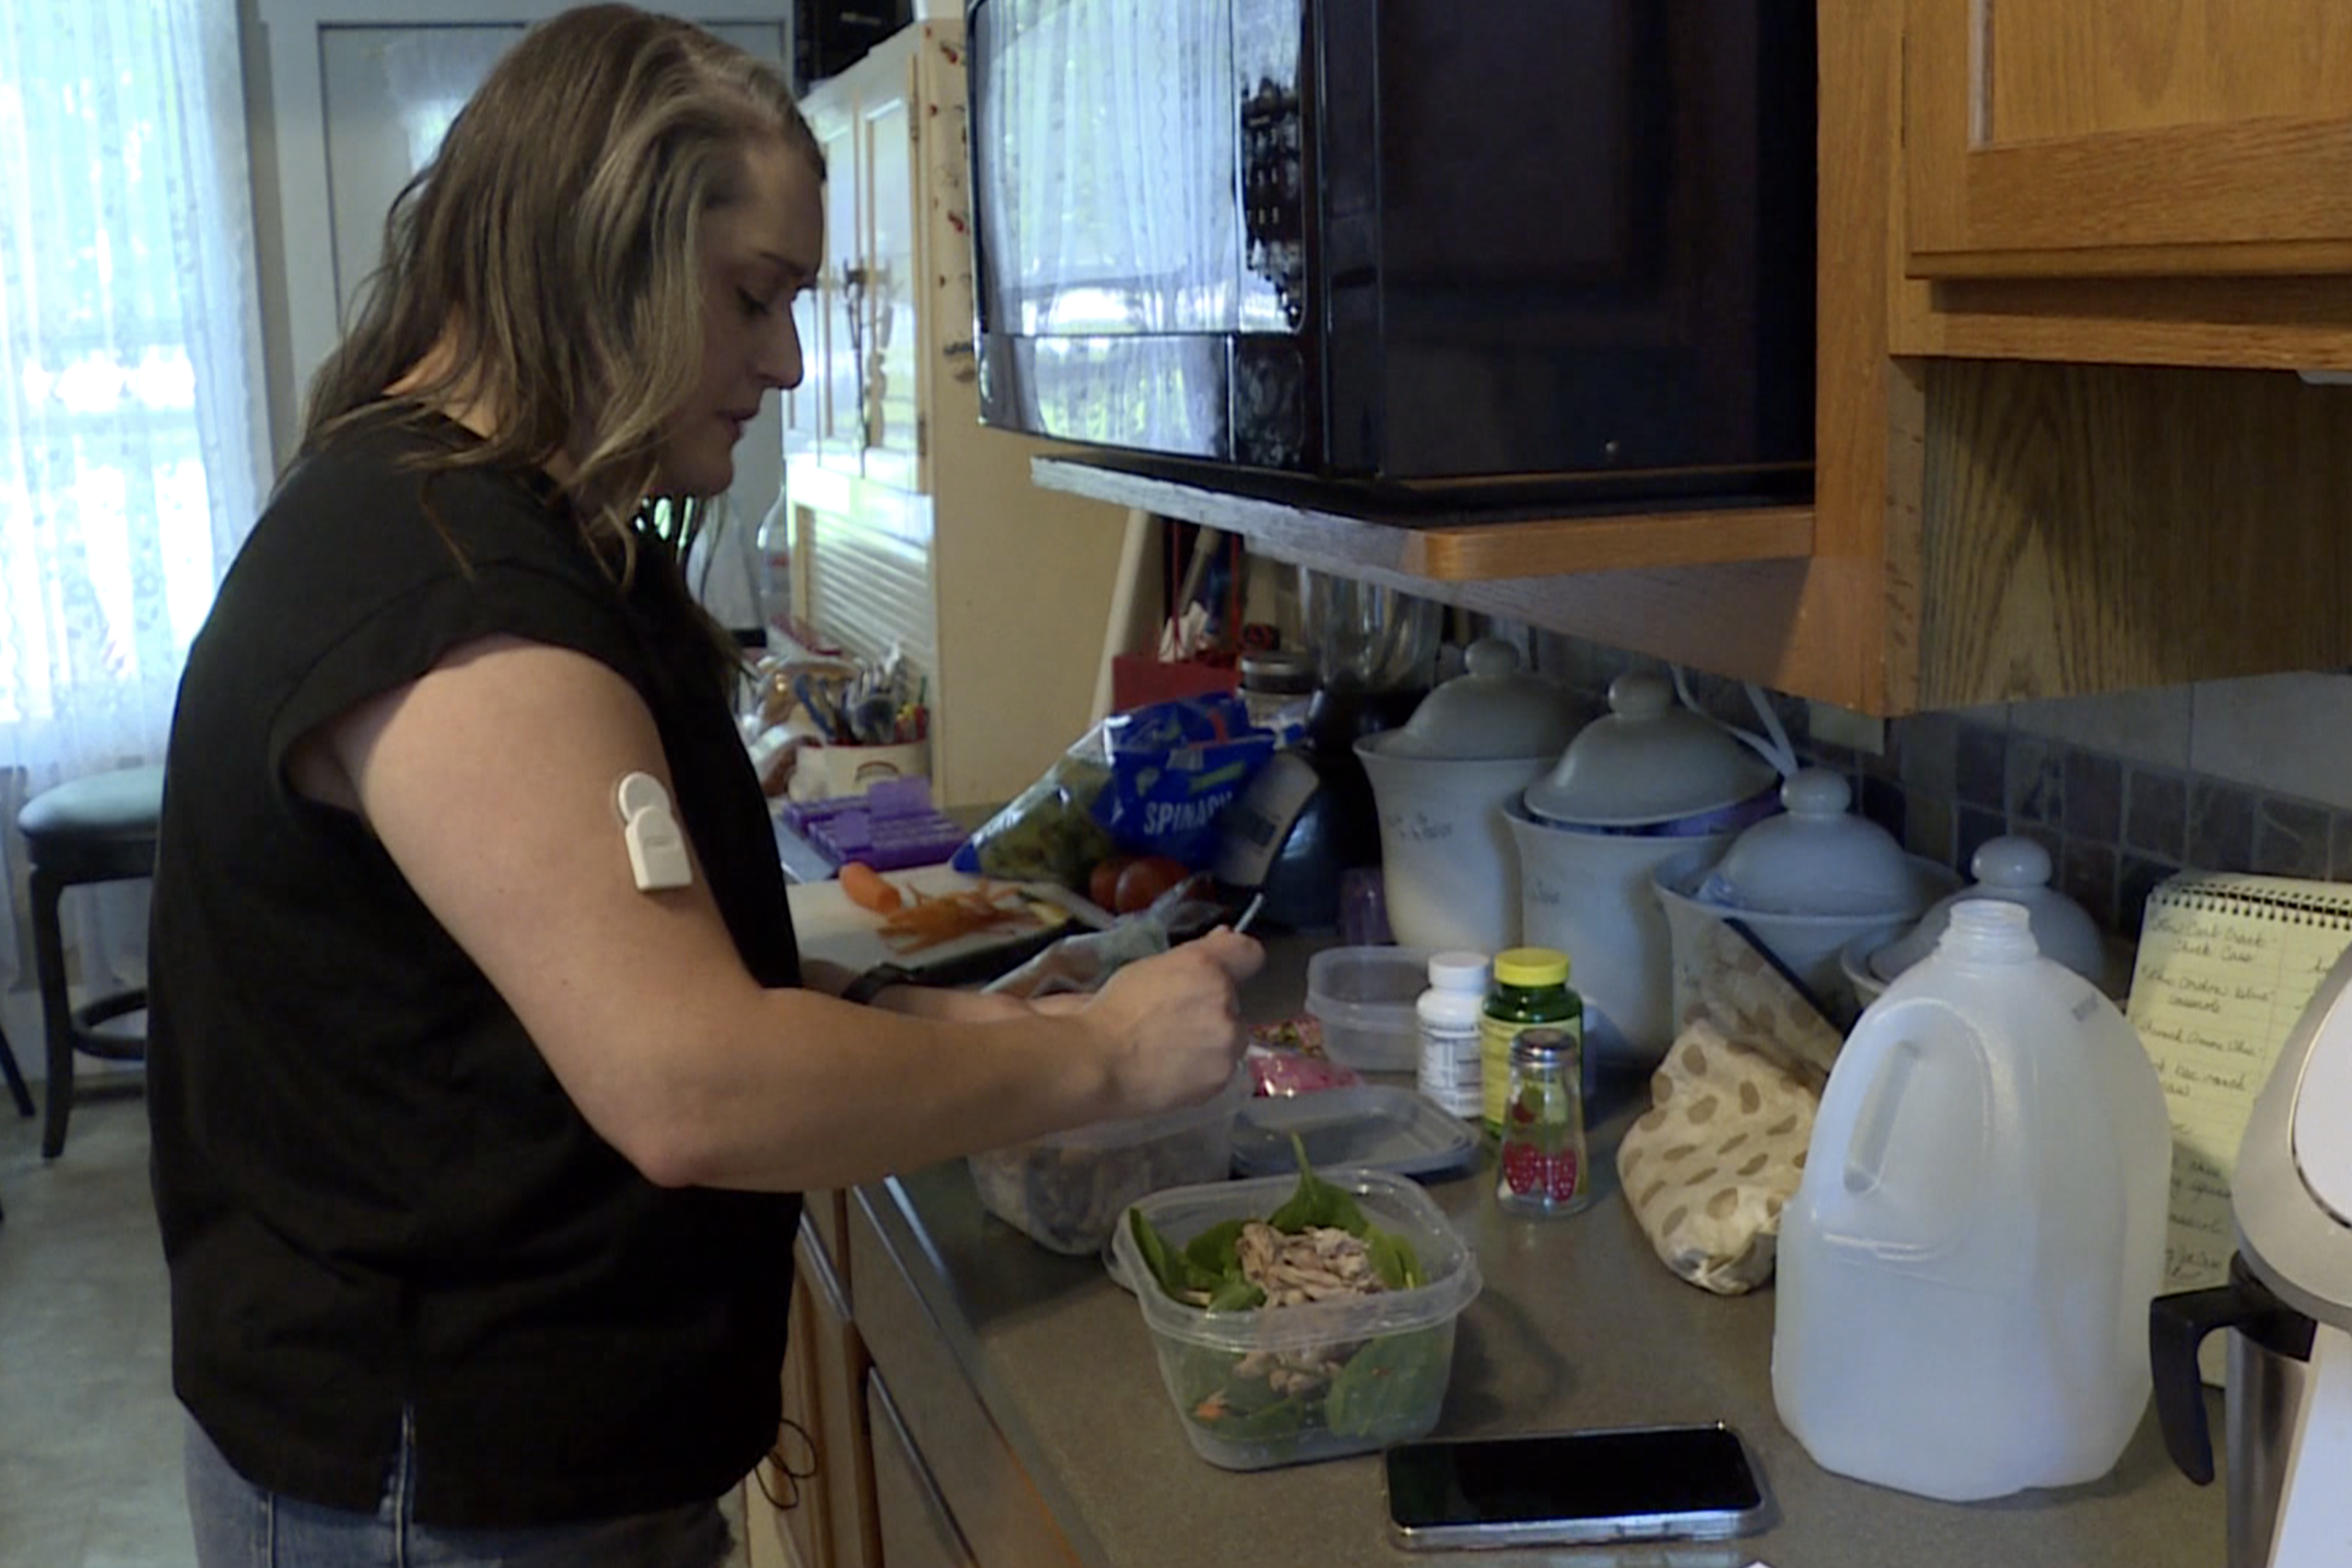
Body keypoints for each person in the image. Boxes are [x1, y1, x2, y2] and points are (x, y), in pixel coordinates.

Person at [144, 8, 1262, 1565]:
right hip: (442, 1484)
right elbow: (691, 1082)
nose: (790, 362)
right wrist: (1107, 1068)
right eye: (753, 297)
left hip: (531, 1462)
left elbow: (582, 987)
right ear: (595, 253)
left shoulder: (484, 529)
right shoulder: (448, 591)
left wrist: (949, 1023)